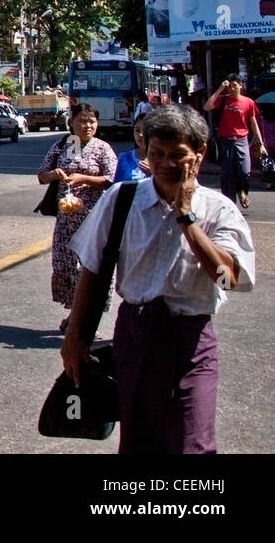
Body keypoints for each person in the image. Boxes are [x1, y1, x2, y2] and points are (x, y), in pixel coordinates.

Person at [62, 105, 255, 453]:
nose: (166, 164)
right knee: (139, 441)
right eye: (157, 154)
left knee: (191, 443)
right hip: (135, 335)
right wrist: (75, 336)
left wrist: (187, 219)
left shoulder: (218, 209)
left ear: (200, 154)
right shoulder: (122, 200)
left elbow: (228, 281)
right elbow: (91, 269)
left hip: (191, 339)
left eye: (178, 156)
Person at [37, 103, 116, 332]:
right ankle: (76, 314)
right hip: (66, 219)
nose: (87, 125)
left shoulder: (102, 148)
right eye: (82, 120)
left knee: (92, 269)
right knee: (66, 266)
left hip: (95, 220)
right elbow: (42, 176)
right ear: (71, 122)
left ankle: (86, 321)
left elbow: (112, 178)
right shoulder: (64, 144)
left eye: (92, 120)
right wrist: (54, 174)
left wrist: (84, 179)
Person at [204, 74, 265, 210]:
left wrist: (260, 144)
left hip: (242, 140)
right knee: (227, 174)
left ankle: (241, 191)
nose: (231, 89)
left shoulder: (248, 102)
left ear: (240, 85)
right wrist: (220, 89)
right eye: (229, 86)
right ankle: (230, 203)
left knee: (244, 172)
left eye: (234, 86)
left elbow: (253, 124)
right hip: (225, 141)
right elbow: (207, 107)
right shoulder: (222, 100)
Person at [113, 114, 151, 183]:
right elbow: (116, 187)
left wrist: (154, 175)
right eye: (137, 130)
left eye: (145, 130)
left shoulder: (162, 159)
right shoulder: (124, 157)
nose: (141, 135)